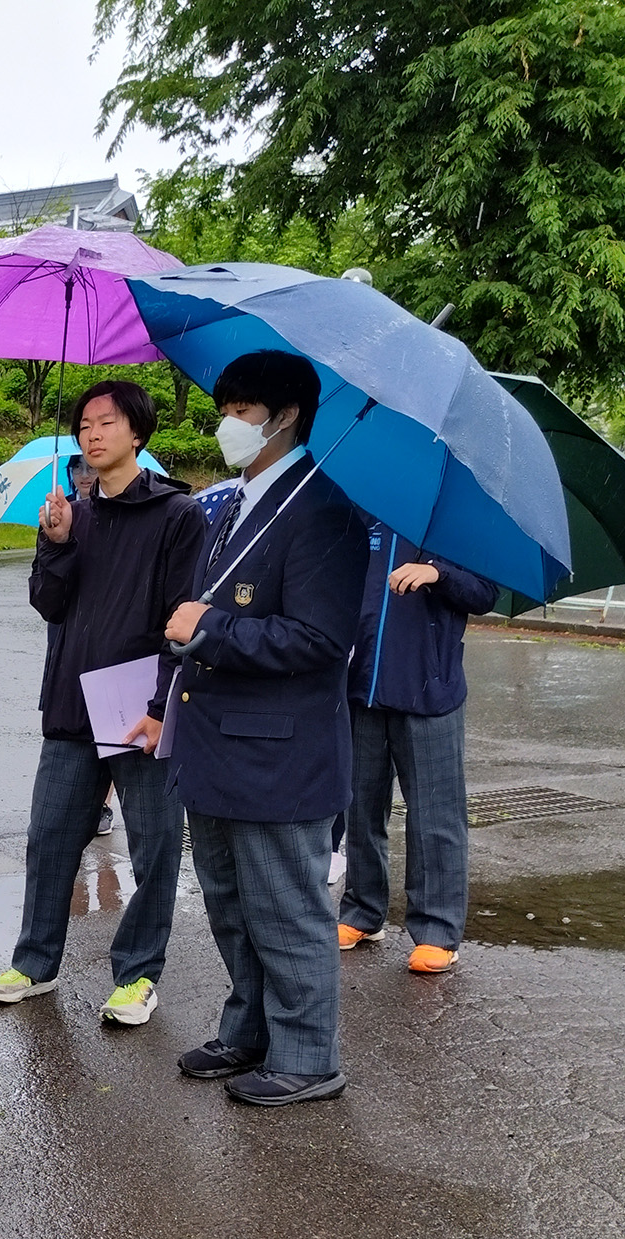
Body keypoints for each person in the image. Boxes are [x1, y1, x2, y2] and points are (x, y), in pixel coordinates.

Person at [162, 350, 368, 1107]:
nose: (228, 424)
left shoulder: (323, 510)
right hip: (214, 744)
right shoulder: (238, 504)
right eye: (226, 408)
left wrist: (211, 629)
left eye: (243, 411)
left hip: (280, 755)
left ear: (286, 418)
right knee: (230, 903)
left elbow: (319, 642)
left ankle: (309, 1056)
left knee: (286, 908)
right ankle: (250, 1030)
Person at [0, 381, 207, 1019]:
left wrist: (166, 706)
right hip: (74, 703)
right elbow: (48, 605)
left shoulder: (177, 515)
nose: (93, 433)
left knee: (154, 843)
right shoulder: (71, 512)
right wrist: (55, 543)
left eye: (107, 422)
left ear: (138, 433)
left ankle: (138, 975)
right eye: (84, 425)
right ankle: (34, 962)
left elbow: (182, 617)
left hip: (142, 706)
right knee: (50, 836)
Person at [337, 522, 496, 974]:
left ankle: (437, 931)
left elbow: (485, 594)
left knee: (436, 815)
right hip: (361, 684)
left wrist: (438, 574)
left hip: (430, 690)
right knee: (359, 807)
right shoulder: (364, 509)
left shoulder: (458, 519)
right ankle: (363, 911)